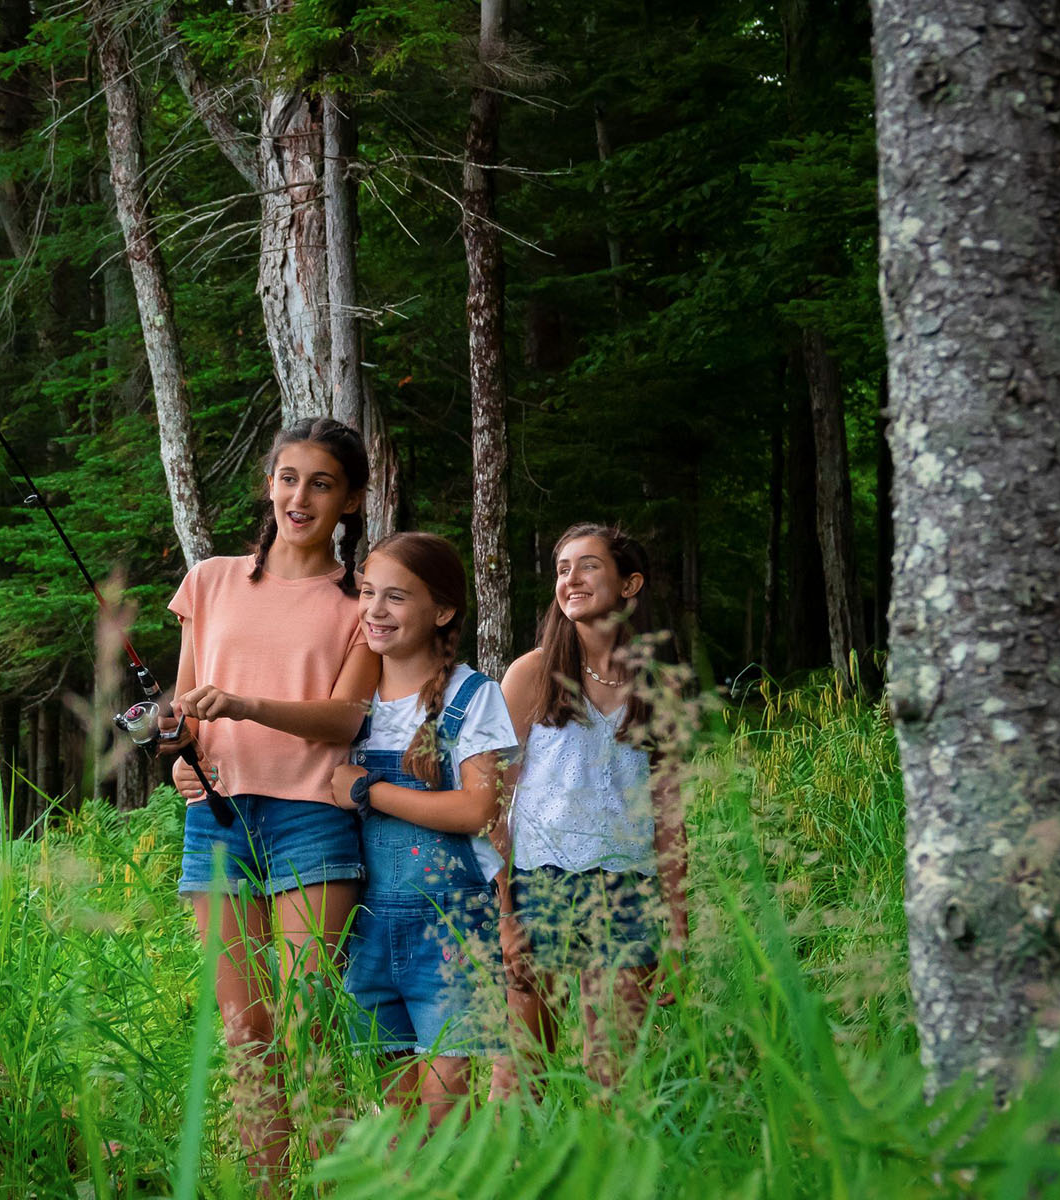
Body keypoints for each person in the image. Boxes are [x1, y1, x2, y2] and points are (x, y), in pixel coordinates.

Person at [162, 416, 380, 1188]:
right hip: (216, 818)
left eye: (322, 484)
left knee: (306, 1024)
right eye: (289, 478)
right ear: (269, 485)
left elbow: (346, 718)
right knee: (244, 1031)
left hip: (311, 819)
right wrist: (177, 755)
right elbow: (185, 713)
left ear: (350, 500)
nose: (300, 497)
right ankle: (270, 1188)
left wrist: (246, 705)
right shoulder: (211, 581)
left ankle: (337, 1183)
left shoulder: (360, 602)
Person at [325, 532, 518, 1126]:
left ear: (443, 611)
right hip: (366, 926)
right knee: (398, 1117)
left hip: (451, 929)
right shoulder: (350, 705)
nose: (375, 610)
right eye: (367, 593)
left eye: (397, 597)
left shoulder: (472, 696)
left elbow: (478, 809)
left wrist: (370, 791)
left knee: (442, 1110)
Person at [498, 523, 690, 1090]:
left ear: (630, 585)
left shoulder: (659, 685)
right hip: (541, 883)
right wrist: (505, 916)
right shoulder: (531, 674)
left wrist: (677, 926)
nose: (571, 579)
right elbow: (493, 808)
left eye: (588, 566)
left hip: (630, 889)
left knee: (615, 1075)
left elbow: (669, 813)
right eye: (563, 569)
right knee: (522, 1073)